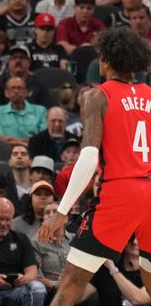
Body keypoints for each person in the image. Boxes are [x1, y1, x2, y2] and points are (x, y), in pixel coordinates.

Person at [39, 27, 151, 306]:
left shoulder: (97, 95)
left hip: (120, 193)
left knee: (70, 284)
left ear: (107, 60)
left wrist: (61, 212)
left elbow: (88, 157)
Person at [0, 77, 48, 146]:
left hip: (34, 150)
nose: (16, 91)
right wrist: (22, 142)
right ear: (6, 93)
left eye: (19, 88)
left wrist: (12, 140)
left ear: (26, 92)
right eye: (12, 88)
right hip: (8, 151)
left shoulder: (40, 111)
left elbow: (43, 138)